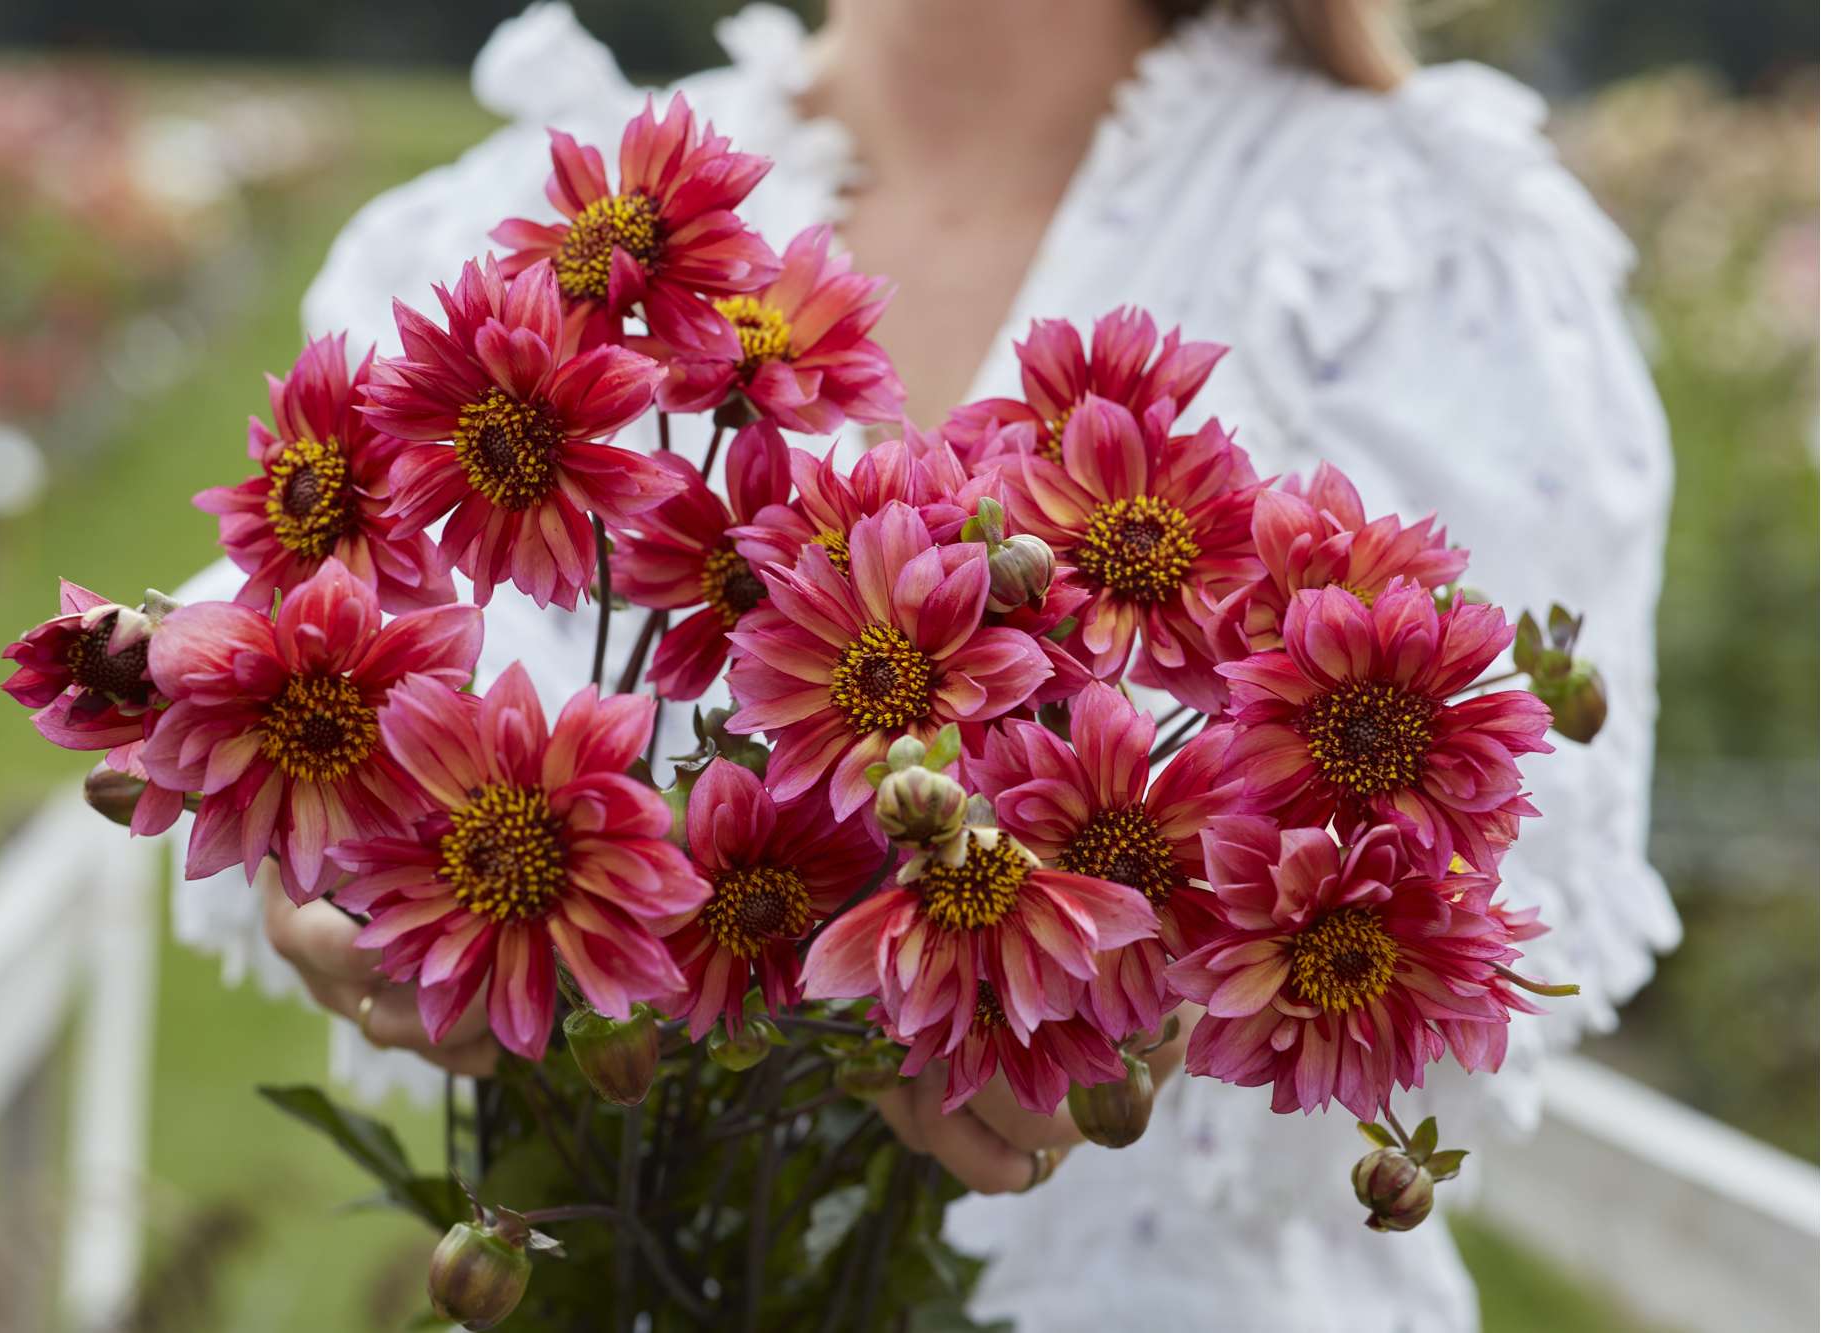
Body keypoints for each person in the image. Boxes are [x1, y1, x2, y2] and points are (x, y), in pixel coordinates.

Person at [173, 2, 1678, 1326]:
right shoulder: (519, 227)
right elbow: (273, 644)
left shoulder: (1423, 247)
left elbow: (1493, 910)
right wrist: (316, 840)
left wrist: (1128, 1005)